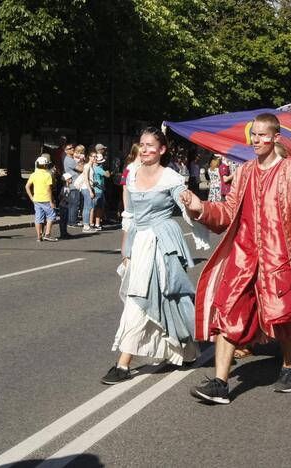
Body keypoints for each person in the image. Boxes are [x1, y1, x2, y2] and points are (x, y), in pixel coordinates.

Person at [181, 113, 291, 404]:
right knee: (227, 312)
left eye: (262, 135)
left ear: (276, 138)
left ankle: (289, 366)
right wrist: (201, 208)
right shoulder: (243, 173)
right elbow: (228, 213)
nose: (255, 140)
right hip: (242, 258)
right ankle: (220, 382)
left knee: (282, 318)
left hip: (279, 259)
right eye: (253, 135)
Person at [102, 128, 200, 384]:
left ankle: (123, 364)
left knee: (149, 297)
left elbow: (187, 209)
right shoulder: (132, 173)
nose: (144, 150)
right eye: (142, 145)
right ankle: (187, 350)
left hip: (162, 243)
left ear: (162, 150)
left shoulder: (171, 177)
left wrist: (191, 202)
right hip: (139, 241)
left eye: (150, 145)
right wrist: (126, 249)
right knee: (162, 300)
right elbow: (130, 215)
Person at [25, 155, 58, 242]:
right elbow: (49, 189)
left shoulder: (33, 174)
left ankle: (39, 236)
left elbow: (27, 186)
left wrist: (31, 197)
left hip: (36, 199)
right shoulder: (47, 175)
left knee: (38, 217)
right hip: (46, 199)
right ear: (45, 165)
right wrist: (51, 201)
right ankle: (47, 234)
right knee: (51, 216)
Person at [61, 143, 82, 228]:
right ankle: (72, 222)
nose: (72, 149)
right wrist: (82, 163)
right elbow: (81, 169)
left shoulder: (71, 159)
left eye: (73, 147)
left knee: (74, 203)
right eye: (70, 148)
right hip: (73, 184)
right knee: (74, 203)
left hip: (74, 183)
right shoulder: (69, 160)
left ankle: (72, 220)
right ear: (66, 151)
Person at [89, 151, 110, 230]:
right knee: (98, 208)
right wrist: (107, 171)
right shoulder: (98, 168)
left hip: (92, 189)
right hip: (98, 190)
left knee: (91, 207)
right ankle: (97, 223)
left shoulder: (91, 167)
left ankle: (91, 223)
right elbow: (107, 175)